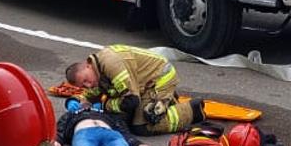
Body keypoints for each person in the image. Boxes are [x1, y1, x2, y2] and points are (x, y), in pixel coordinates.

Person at [64, 45, 204, 135]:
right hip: (143, 83)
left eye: (86, 80)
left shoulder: (111, 65)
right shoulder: (97, 68)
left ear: (88, 65)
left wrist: (105, 105)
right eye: (83, 86)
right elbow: (92, 94)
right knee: (124, 118)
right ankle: (167, 101)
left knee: (142, 126)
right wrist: (80, 101)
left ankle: (192, 111)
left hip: (159, 78)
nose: (88, 85)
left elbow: (131, 101)